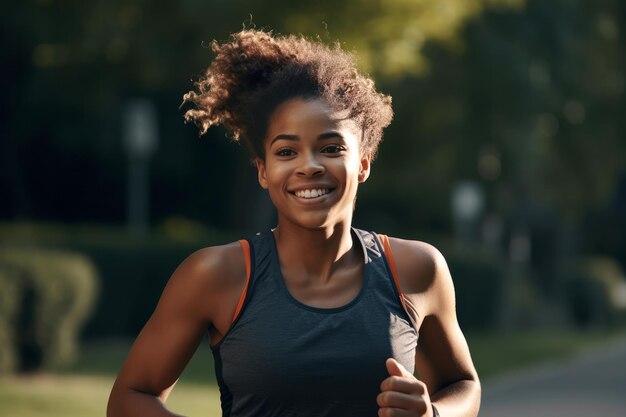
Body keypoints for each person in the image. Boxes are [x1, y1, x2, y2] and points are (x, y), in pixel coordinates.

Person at [107, 29, 480, 417]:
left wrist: (434, 415)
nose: (309, 166)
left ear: (364, 163)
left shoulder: (417, 269)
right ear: (264, 171)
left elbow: (463, 385)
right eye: (286, 151)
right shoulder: (216, 275)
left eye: (331, 148)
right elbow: (130, 398)